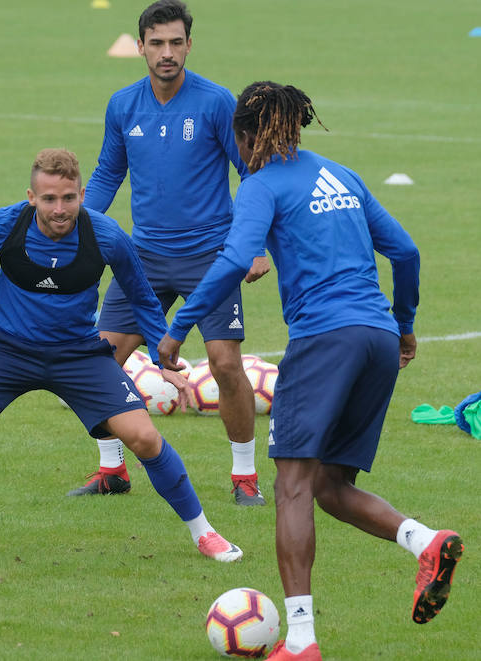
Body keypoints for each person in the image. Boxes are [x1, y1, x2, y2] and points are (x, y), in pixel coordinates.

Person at [157, 81, 463, 660]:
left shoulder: (260, 184)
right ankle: (425, 541)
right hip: (374, 338)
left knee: (292, 486)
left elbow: (232, 258)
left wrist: (178, 328)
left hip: (325, 339)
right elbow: (406, 252)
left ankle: (300, 641)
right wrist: (403, 324)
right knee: (329, 486)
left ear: (249, 135)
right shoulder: (343, 175)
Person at [0, 148, 242, 564]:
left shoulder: (106, 235)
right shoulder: (5, 225)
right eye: (50, 199)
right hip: (9, 350)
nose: (60, 209)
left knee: (145, 437)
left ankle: (204, 532)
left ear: (81, 194)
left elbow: (143, 298)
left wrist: (160, 354)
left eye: (69, 198)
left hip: (80, 356)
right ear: (32, 197)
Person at [72, 0, 271, 506]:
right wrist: (76, 228)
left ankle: (244, 478)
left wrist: (256, 245)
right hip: (144, 258)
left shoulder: (216, 102)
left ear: (189, 45)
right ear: (140, 46)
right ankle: (112, 470)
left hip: (211, 256)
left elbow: (252, 175)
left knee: (225, 364)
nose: (167, 53)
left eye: (176, 43)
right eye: (156, 43)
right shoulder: (123, 105)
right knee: (100, 358)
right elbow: (107, 174)